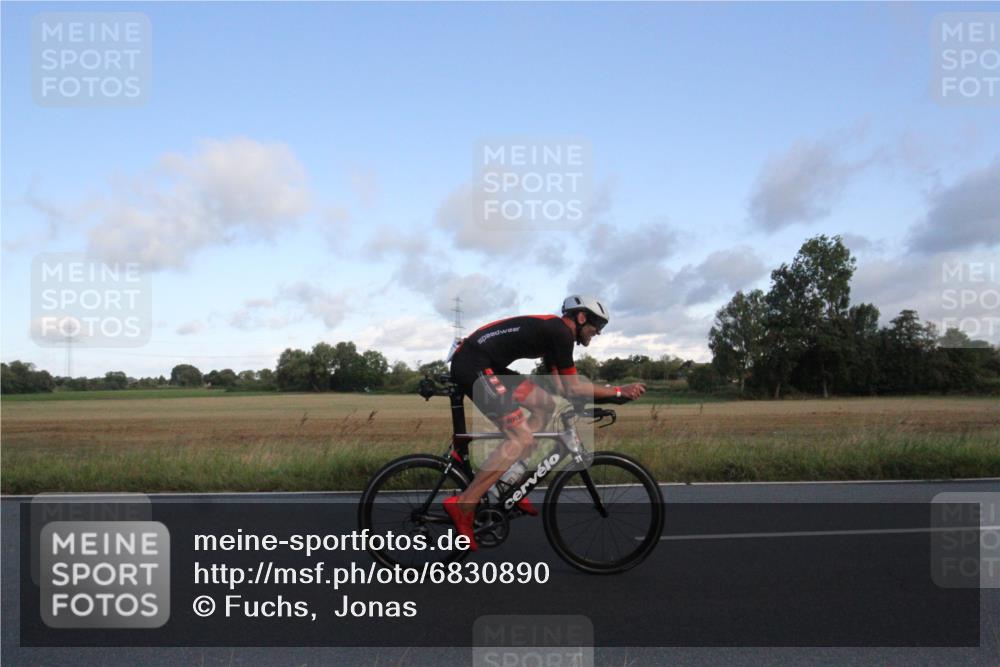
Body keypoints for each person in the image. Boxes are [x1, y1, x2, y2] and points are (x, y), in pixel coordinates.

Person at [444, 295, 646, 549]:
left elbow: (563, 389)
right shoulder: (559, 331)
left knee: (545, 405)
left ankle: (509, 480)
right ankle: (465, 503)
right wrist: (618, 392)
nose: (598, 333)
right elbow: (573, 386)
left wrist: (599, 400)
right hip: (473, 364)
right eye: (598, 326)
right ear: (581, 317)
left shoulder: (556, 338)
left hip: (488, 363)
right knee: (520, 436)